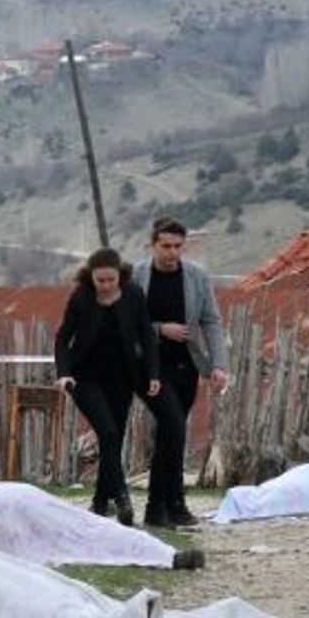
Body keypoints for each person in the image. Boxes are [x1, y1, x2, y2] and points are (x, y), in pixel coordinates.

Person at [133, 217, 229, 527]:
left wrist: (218, 365)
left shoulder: (197, 277)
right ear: (153, 245)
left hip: (186, 365)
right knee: (174, 426)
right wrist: (160, 329)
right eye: (165, 246)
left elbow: (211, 321)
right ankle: (170, 503)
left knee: (171, 433)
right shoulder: (137, 276)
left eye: (177, 246)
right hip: (149, 366)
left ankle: (163, 509)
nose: (171, 253)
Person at [54, 248, 161, 527]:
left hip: (122, 377)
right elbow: (63, 337)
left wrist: (152, 373)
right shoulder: (81, 297)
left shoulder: (134, 295)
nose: (104, 285)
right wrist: (64, 373)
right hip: (85, 377)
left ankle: (100, 504)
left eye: (110, 280)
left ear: (119, 275)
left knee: (113, 438)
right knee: (108, 431)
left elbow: (147, 337)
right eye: (99, 280)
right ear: (91, 277)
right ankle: (122, 497)